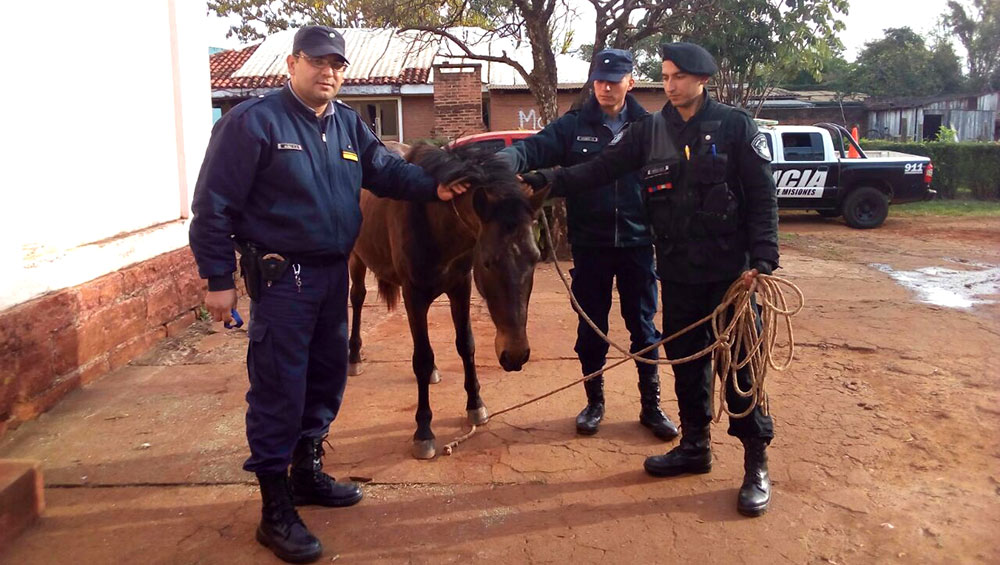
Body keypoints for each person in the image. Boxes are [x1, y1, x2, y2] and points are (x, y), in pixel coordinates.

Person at [188, 26, 467, 563]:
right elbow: (213, 203)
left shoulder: (347, 125)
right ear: (293, 65)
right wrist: (217, 278)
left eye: (337, 65)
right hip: (281, 278)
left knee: (326, 378)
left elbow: (385, 171)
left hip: (329, 275)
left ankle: (307, 473)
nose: (329, 73)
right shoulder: (253, 122)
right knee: (278, 389)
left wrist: (434, 187)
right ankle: (274, 511)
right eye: (318, 62)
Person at [521, 42, 779, 517]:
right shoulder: (651, 130)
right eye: (665, 76)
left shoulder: (734, 125)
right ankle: (695, 447)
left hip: (731, 276)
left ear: (701, 78)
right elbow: (597, 169)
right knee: (685, 362)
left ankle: (755, 464)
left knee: (741, 367)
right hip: (678, 273)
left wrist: (763, 260)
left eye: (678, 76)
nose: (670, 84)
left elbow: (763, 196)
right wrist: (543, 180)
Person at [498, 49, 678, 441]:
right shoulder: (572, 126)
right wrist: (505, 159)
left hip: (637, 243)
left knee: (644, 327)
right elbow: (531, 148)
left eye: (614, 80)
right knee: (591, 328)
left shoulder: (651, 127)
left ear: (631, 81)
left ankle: (651, 406)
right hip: (591, 244)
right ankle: (594, 403)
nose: (605, 87)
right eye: (599, 79)